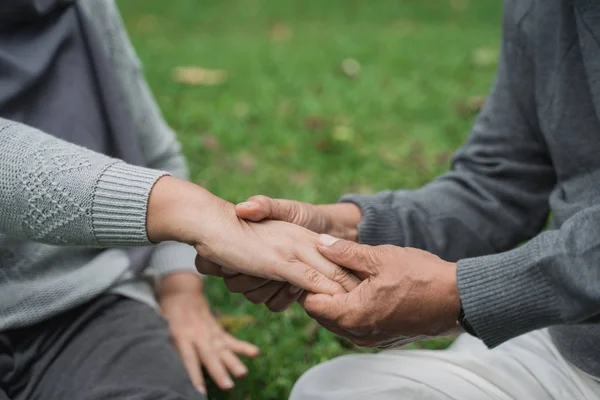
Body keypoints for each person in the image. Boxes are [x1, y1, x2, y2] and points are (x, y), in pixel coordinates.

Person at [198, 1, 600, 398]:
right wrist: (339, 230)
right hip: (568, 342)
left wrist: (462, 295)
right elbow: (499, 182)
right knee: (334, 391)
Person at [0, 1, 357, 399]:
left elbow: (157, 157)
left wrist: (180, 288)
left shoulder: (84, 10)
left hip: (86, 304)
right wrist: (191, 213)